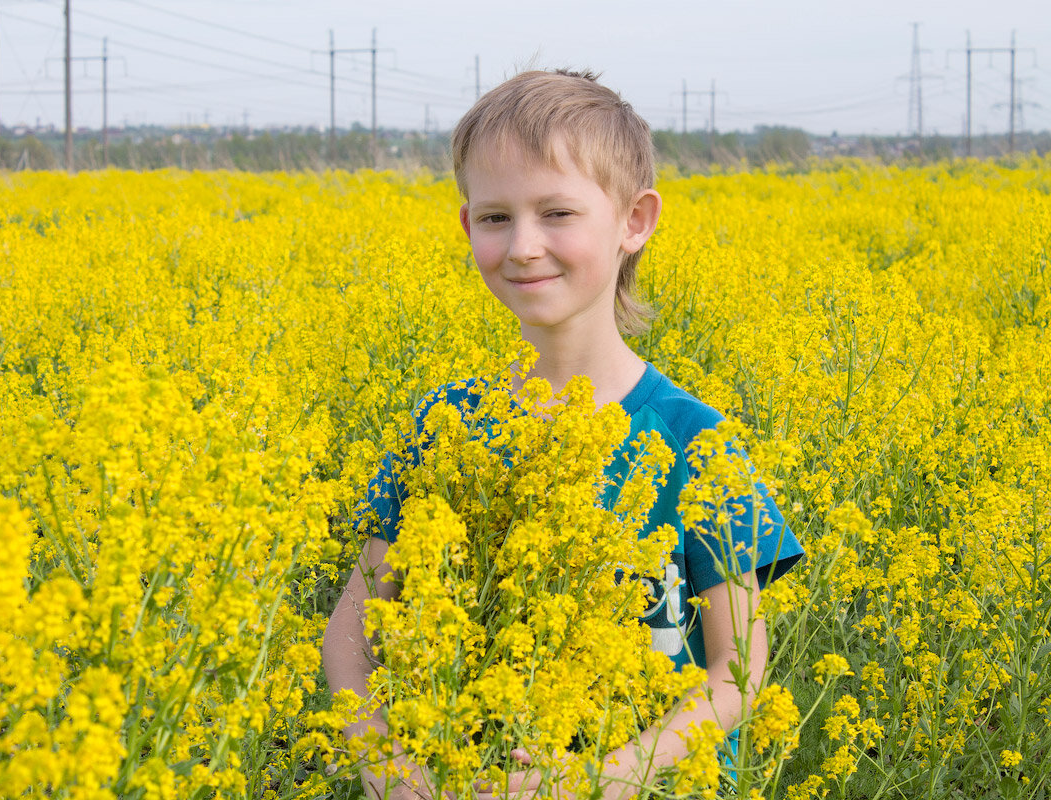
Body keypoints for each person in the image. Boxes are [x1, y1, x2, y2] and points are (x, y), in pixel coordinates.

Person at [322, 69, 805, 800]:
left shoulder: (696, 442)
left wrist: (605, 777)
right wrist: (387, 764)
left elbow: (737, 676)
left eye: (557, 213)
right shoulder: (446, 425)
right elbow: (351, 633)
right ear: (466, 227)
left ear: (634, 221)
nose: (522, 246)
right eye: (494, 218)